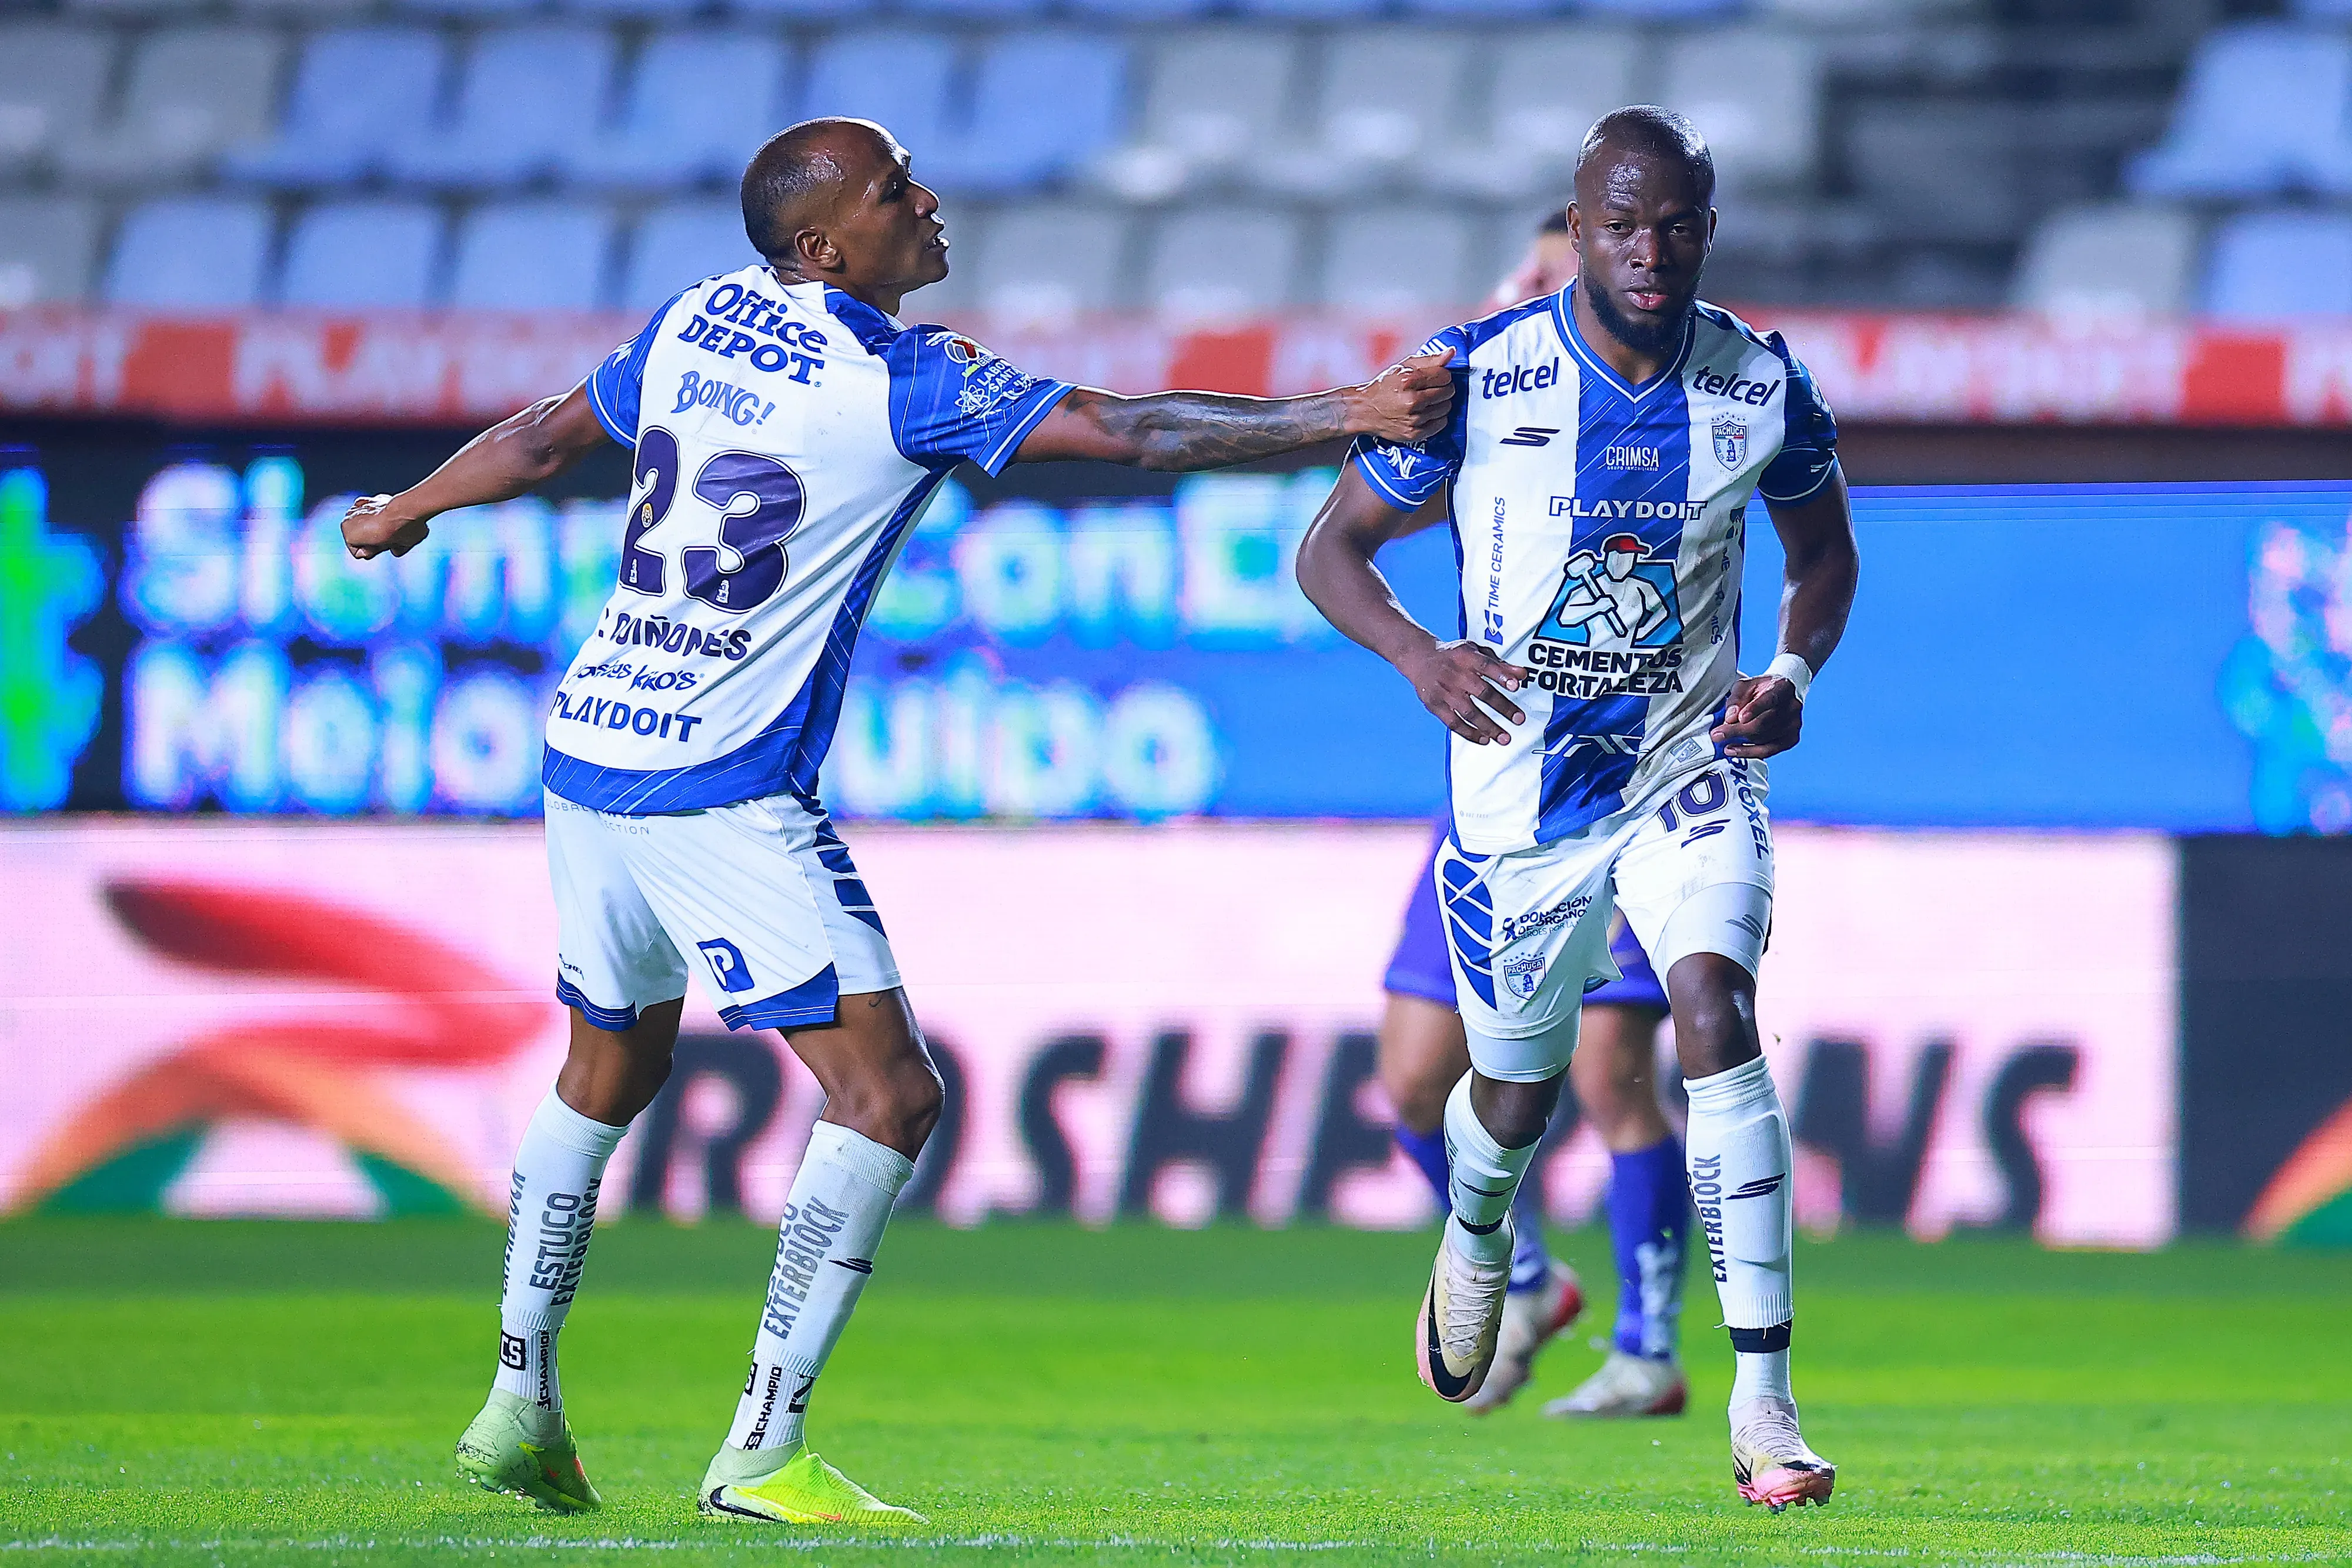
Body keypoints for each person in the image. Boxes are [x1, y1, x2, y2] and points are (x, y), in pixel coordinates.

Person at [340, 116, 1452, 1527]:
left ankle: (517, 1396)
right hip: (718, 783)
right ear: (823, 247)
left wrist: (399, 509)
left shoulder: (695, 319)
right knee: (889, 1095)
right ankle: (759, 1449)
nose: (925, 204)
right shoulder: (899, 377)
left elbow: (543, 437)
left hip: (588, 748)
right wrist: (1340, 413)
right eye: (891, 192)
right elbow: (1129, 432)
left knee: (606, 1070)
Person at [1298, 106, 1859, 1508]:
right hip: (1520, 790)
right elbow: (1330, 552)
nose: (1648, 248)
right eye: (1620, 223)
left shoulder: (1758, 385)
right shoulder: (1477, 378)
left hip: (1685, 767)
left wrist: (1789, 668)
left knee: (1715, 1017)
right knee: (1512, 1087)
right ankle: (1478, 1231)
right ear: (1576, 225)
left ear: (1705, 230)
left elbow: (1826, 551)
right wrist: (1422, 656)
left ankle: (1763, 1403)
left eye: (1673, 223)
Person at [1374, 210, 1692, 1422]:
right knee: (1410, 1084)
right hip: (1491, 789)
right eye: (1537, 282)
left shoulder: (1670, 413)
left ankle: (1646, 1349)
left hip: (1621, 789)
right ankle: (1530, 1276)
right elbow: (1376, 516)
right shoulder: (1495, 395)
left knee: (1610, 1072)